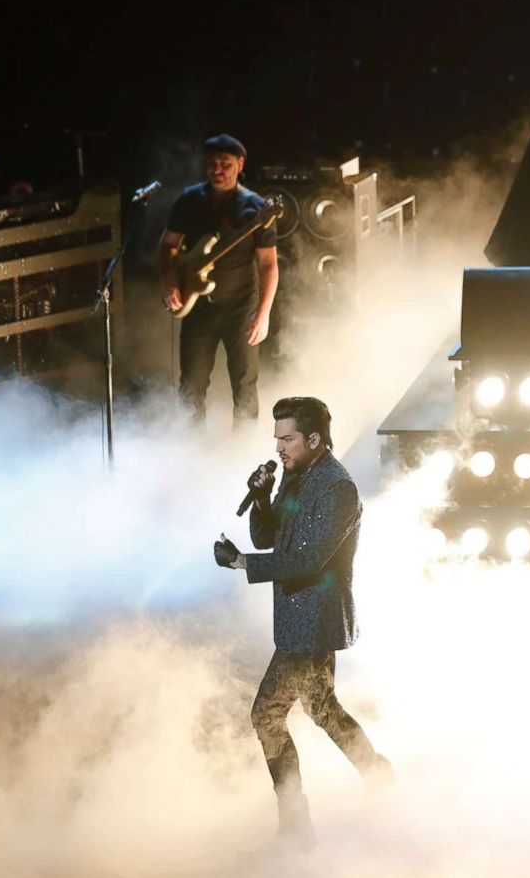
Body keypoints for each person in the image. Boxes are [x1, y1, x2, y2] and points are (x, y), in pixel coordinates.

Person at [213, 396, 393, 846]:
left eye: (288, 439)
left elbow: (310, 558)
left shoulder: (337, 488)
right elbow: (270, 536)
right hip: (296, 619)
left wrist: (242, 565)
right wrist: (260, 497)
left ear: (315, 439)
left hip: (314, 621)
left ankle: (295, 823)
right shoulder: (295, 476)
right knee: (323, 710)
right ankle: (380, 778)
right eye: (277, 439)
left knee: (266, 714)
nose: (279, 448)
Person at [159, 134, 280, 427]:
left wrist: (263, 315)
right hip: (198, 307)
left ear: (240, 165)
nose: (218, 170)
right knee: (191, 386)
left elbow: (269, 265)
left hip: (240, 308)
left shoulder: (256, 209)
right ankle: (191, 450)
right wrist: (170, 281)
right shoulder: (189, 201)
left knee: (244, 384)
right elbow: (168, 246)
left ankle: (245, 457)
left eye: (225, 164)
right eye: (212, 163)